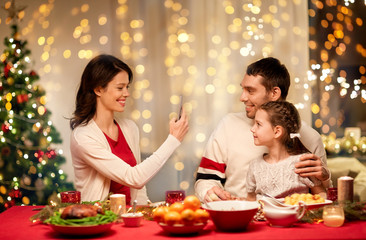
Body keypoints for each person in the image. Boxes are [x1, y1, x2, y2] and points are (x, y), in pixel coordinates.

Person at [195, 57, 331, 202]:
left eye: (250, 91)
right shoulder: (228, 125)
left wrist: (324, 177)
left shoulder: (310, 137)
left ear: (274, 93)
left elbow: (324, 196)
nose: (242, 97)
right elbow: (205, 179)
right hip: (240, 215)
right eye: (243, 89)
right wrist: (210, 192)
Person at [70, 54, 189, 204]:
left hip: (131, 216)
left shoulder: (129, 128)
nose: (126, 93)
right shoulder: (83, 137)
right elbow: (135, 178)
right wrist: (173, 140)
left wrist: (143, 211)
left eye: (127, 87)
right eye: (120, 88)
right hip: (100, 218)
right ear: (98, 89)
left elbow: (139, 188)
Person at [246, 101, 326, 201]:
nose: (252, 129)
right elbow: (251, 200)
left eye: (258, 124)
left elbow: (321, 194)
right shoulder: (255, 165)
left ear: (277, 131)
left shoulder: (302, 162)